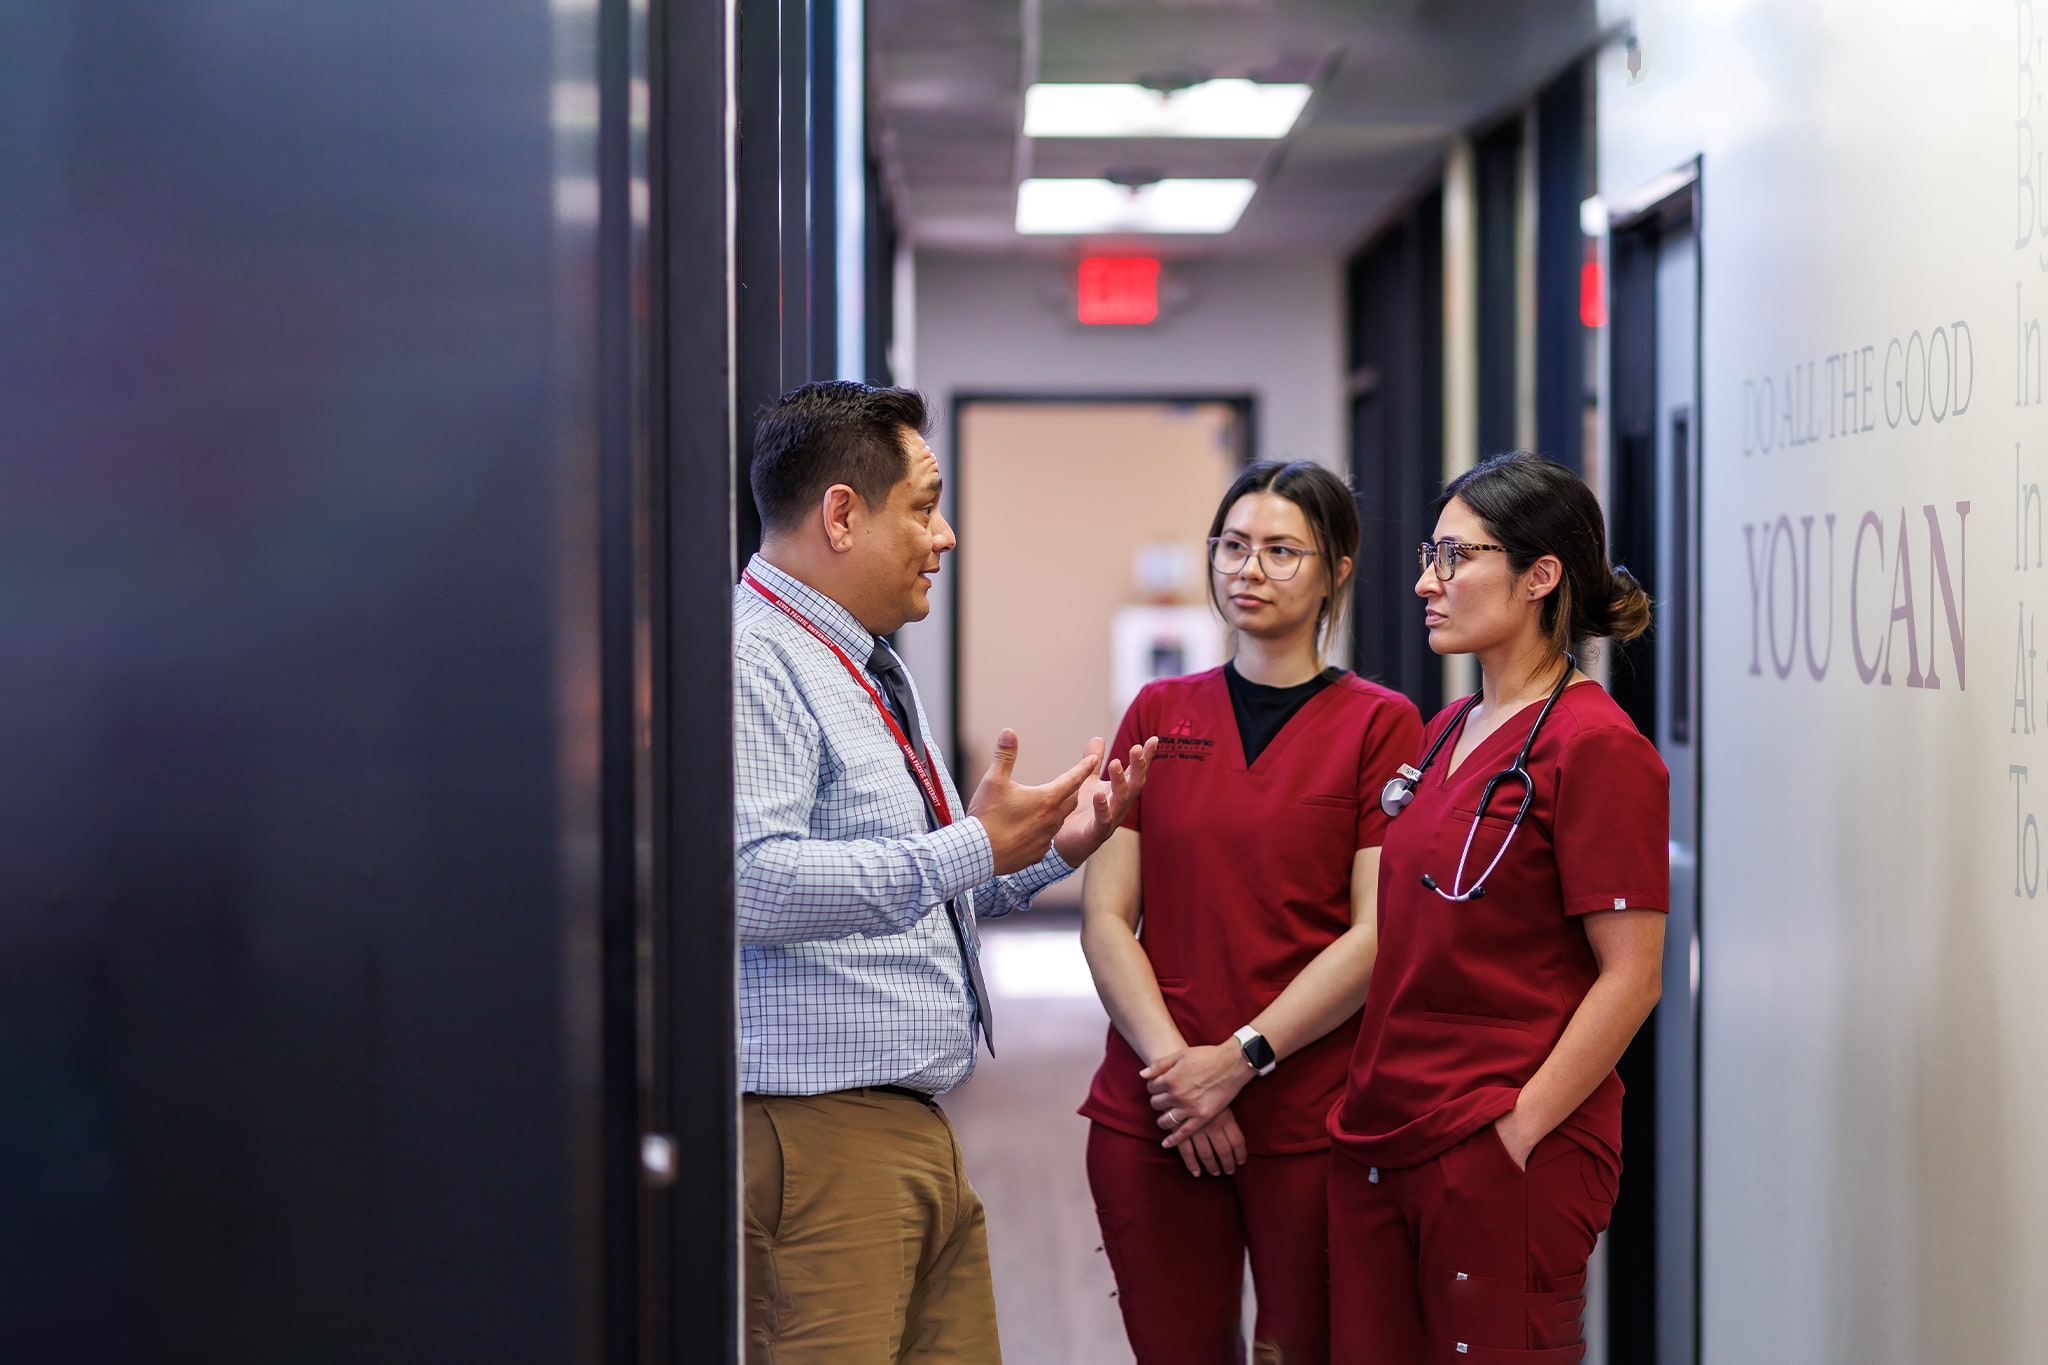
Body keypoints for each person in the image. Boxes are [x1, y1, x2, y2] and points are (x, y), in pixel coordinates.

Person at [733, 380, 1156, 1362]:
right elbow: (751, 884)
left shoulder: (859, 659)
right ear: (842, 513)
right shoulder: (758, 660)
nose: (944, 535)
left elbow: (920, 894)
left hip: (906, 1131)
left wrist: (1047, 846)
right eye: (923, 505)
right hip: (821, 1141)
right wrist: (970, 843)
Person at [1078, 460, 1423, 1365]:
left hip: (1307, 1112)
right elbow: (1107, 916)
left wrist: (1237, 1061)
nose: (1248, 570)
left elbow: (1376, 931)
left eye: (1280, 550)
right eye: (1233, 546)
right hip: (1155, 1110)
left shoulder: (1382, 726)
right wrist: (1180, 1076)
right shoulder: (1158, 711)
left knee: (1303, 1347)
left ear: (1336, 569)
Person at [1327, 450, 1667, 1363]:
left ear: (1541, 575)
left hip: (1500, 1141)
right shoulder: (1445, 732)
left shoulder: (1596, 746)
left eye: (1453, 556)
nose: (1422, 582)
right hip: (1383, 1132)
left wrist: (1513, 1132)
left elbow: (1632, 976)